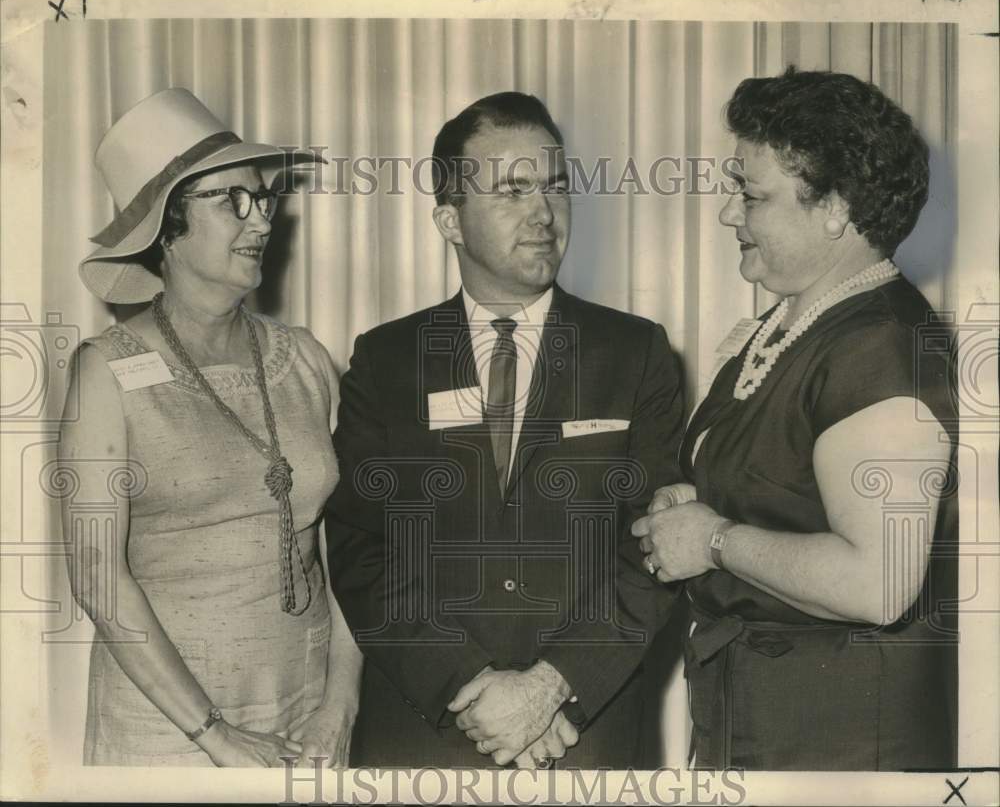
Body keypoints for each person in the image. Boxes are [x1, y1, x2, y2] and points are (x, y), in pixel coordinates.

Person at [325, 91, 686, 768]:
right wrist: (468, 686)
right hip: (428, 734)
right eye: (512, 191)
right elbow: (360, 550)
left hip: (585, 733)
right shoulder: (385, 361)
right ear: (450, 220)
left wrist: (551, 687)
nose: (543, 214)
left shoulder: (635, 354)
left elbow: (657, 548)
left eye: (554, 187)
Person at [632, 67, 958, 770]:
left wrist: (714, 539)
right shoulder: (789, 322)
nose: (729, 214)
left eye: (751, 195)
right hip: (758, 724)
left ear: (836, 207)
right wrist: (694, 506)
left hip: (841, 747)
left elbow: (880, 580)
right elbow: (775, 493)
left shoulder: (882, 344)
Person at [61, 88, 362, 766]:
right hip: (168, 729)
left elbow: (357, 547)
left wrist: (339, 703)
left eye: (264, 199)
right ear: (167, 228)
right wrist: (217, 736)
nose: (262, 221)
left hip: (305, 716)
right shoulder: (106, 373)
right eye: (234, 201)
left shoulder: (306, 359)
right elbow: (98, 580)